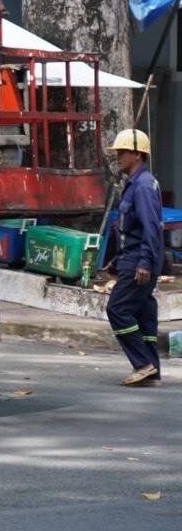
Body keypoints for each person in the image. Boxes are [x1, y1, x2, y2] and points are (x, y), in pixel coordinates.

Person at [105, 128, 164, 387]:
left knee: (117, 309)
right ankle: (153, 371)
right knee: (142, 312)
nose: (118, 156)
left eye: (122, 152)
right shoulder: (137, 183)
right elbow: (132, 229)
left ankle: (143, 364)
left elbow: (151, 228)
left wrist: (144, 262)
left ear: (137, 155)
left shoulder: (142, 186)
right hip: (132, 257)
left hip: (140, 260)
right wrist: (116, 261)